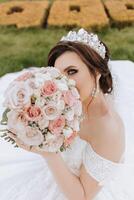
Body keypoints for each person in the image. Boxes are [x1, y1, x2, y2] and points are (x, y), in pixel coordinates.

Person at [0, 28, 134, 200]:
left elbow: (83, 196)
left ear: (97, 71)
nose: (62, 83)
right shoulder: (63, 101)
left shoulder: (109, 129)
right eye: (58, 74)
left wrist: (48, 152)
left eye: (72, 71)